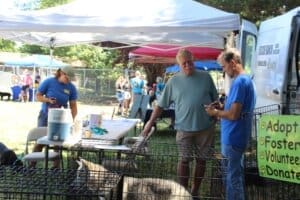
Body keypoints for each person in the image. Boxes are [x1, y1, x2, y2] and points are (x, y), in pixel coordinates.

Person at [142, 48, 218, 199]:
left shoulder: (206, 77)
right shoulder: (174, 81)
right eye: (184, 64)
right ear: (179, 65)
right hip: (184, 128)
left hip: (205, 128)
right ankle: (183, 191)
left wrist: (216, 113)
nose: (188, 66)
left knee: (202, 161)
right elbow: (161, 105)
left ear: (193, 60)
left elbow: (215, 100)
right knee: (184, 161)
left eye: (190, 62)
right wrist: (150, 123)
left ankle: (195, 190)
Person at [205, 48, 256, 200]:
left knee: (232, 178)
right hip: (237, 136)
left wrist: (215, 113)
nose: (223, 70)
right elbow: (235, 109)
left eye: (223, 66)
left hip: (233, 137)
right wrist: (222, 108)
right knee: (235, 175)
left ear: (232, 63)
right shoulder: (246, 79)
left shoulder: (240, 82)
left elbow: (234, 114)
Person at [30, 66, 78, 169]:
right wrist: (48, 100)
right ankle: (31, 165)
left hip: (62, 119)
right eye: (67, 78)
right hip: (45, 116)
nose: (68, 80)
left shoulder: (71, 88)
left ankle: (56, 167)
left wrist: (72, 121)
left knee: (58, 143)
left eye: (70, 79)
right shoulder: (49, 82)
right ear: (61, 73)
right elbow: (38, 96)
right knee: (40, 141)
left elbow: (73, 106)